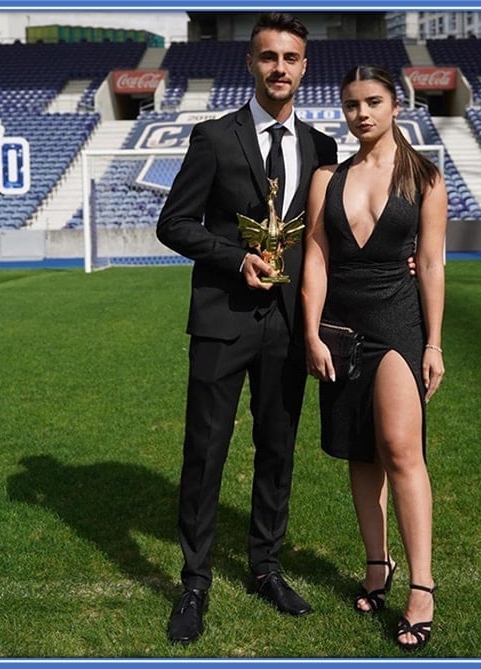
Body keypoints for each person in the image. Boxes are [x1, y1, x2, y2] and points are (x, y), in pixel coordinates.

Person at [156, 12, 338, 645]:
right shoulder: (212, 137)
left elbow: (324, 238)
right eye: (268, 57)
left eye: (290, 58)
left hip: (289, 326)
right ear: (251, 64)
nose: (279, 68)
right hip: (221, 319)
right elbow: (174, 224)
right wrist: (236, 259)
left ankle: (265, 566)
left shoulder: (322, 147)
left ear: (304, 66)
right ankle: (195, 581)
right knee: (205, 453)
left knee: (278, 449)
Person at [301, 65, 447, 652]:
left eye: (373, 102)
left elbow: (432, 263)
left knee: (400, 449)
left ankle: (421, 587)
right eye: (351, 104)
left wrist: (433, 342)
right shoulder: (325, 178)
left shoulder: (425, 178)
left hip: (397, 322)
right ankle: (375, 565)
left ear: (395, 106)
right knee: (358, 452)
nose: (361, 113)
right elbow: (315, 259)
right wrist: (310, 333)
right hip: (339, 324)